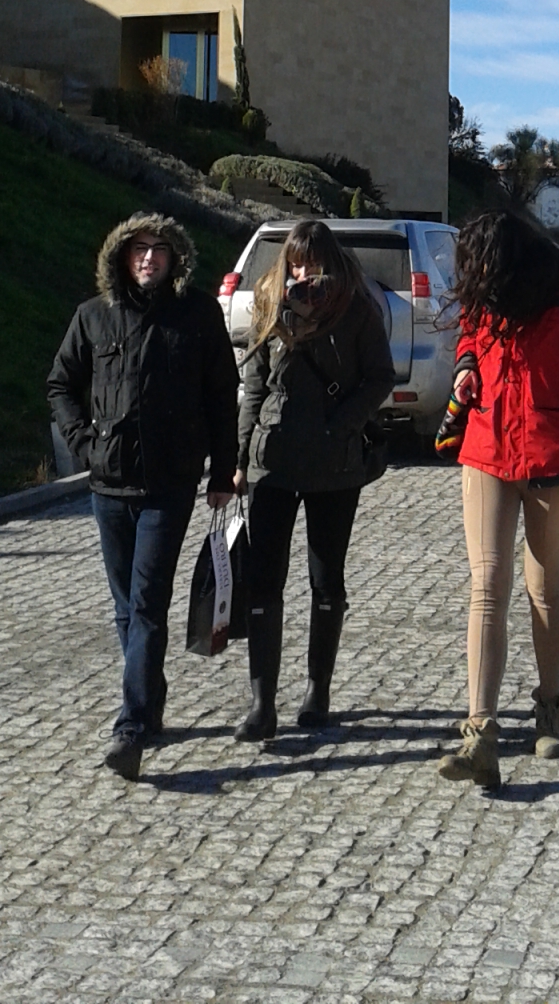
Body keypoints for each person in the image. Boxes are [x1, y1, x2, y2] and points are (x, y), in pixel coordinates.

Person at [48, 212, 238, 781]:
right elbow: (61, 384)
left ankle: (129, 726)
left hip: (169, 484)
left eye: (159, 249)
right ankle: (150, 702)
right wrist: (84, 444)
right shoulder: (93, 316)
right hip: (108, 484)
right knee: (126, 607)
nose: (149, 257)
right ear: (122, 256)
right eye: (139, 248)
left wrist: (223, 471)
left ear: (175, 258)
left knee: (148, 602)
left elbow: (221, 395)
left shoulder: (198, 315)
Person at [436, 211, 559, 788]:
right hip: (486, 448)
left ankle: (549, 706)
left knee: (543, 587)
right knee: (487, 585)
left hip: (554, 456)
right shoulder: (486, 292)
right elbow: (469, 336)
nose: (472, 275)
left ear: (508, 260)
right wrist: (466, 364)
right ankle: (480, 732)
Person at [231, 220, 396, 744]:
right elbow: (254, 384)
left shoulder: (355, 306)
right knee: (264, 580)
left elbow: (380, 376)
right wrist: (240, 456)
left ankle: (317, 691)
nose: (302, 274)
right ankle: (262, 704)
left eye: (312, 264)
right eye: (295, 264)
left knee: (326, 579)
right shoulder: (269, 300)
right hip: (274, 460)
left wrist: (340, 424)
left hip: (334, 466)